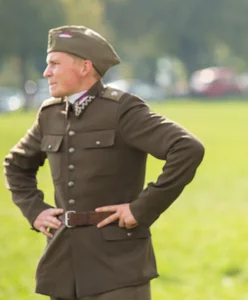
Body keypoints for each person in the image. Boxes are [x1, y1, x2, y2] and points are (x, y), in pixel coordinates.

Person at [4, 26, 205, 300]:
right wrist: (34, 210)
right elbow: (16, 165)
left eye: (54, 64)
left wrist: (141, 210)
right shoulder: (49, 114)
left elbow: (187, 148)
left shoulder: (123, 110)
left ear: (85, 67)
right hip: (64, 268)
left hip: (118, 269)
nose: (46, 72)